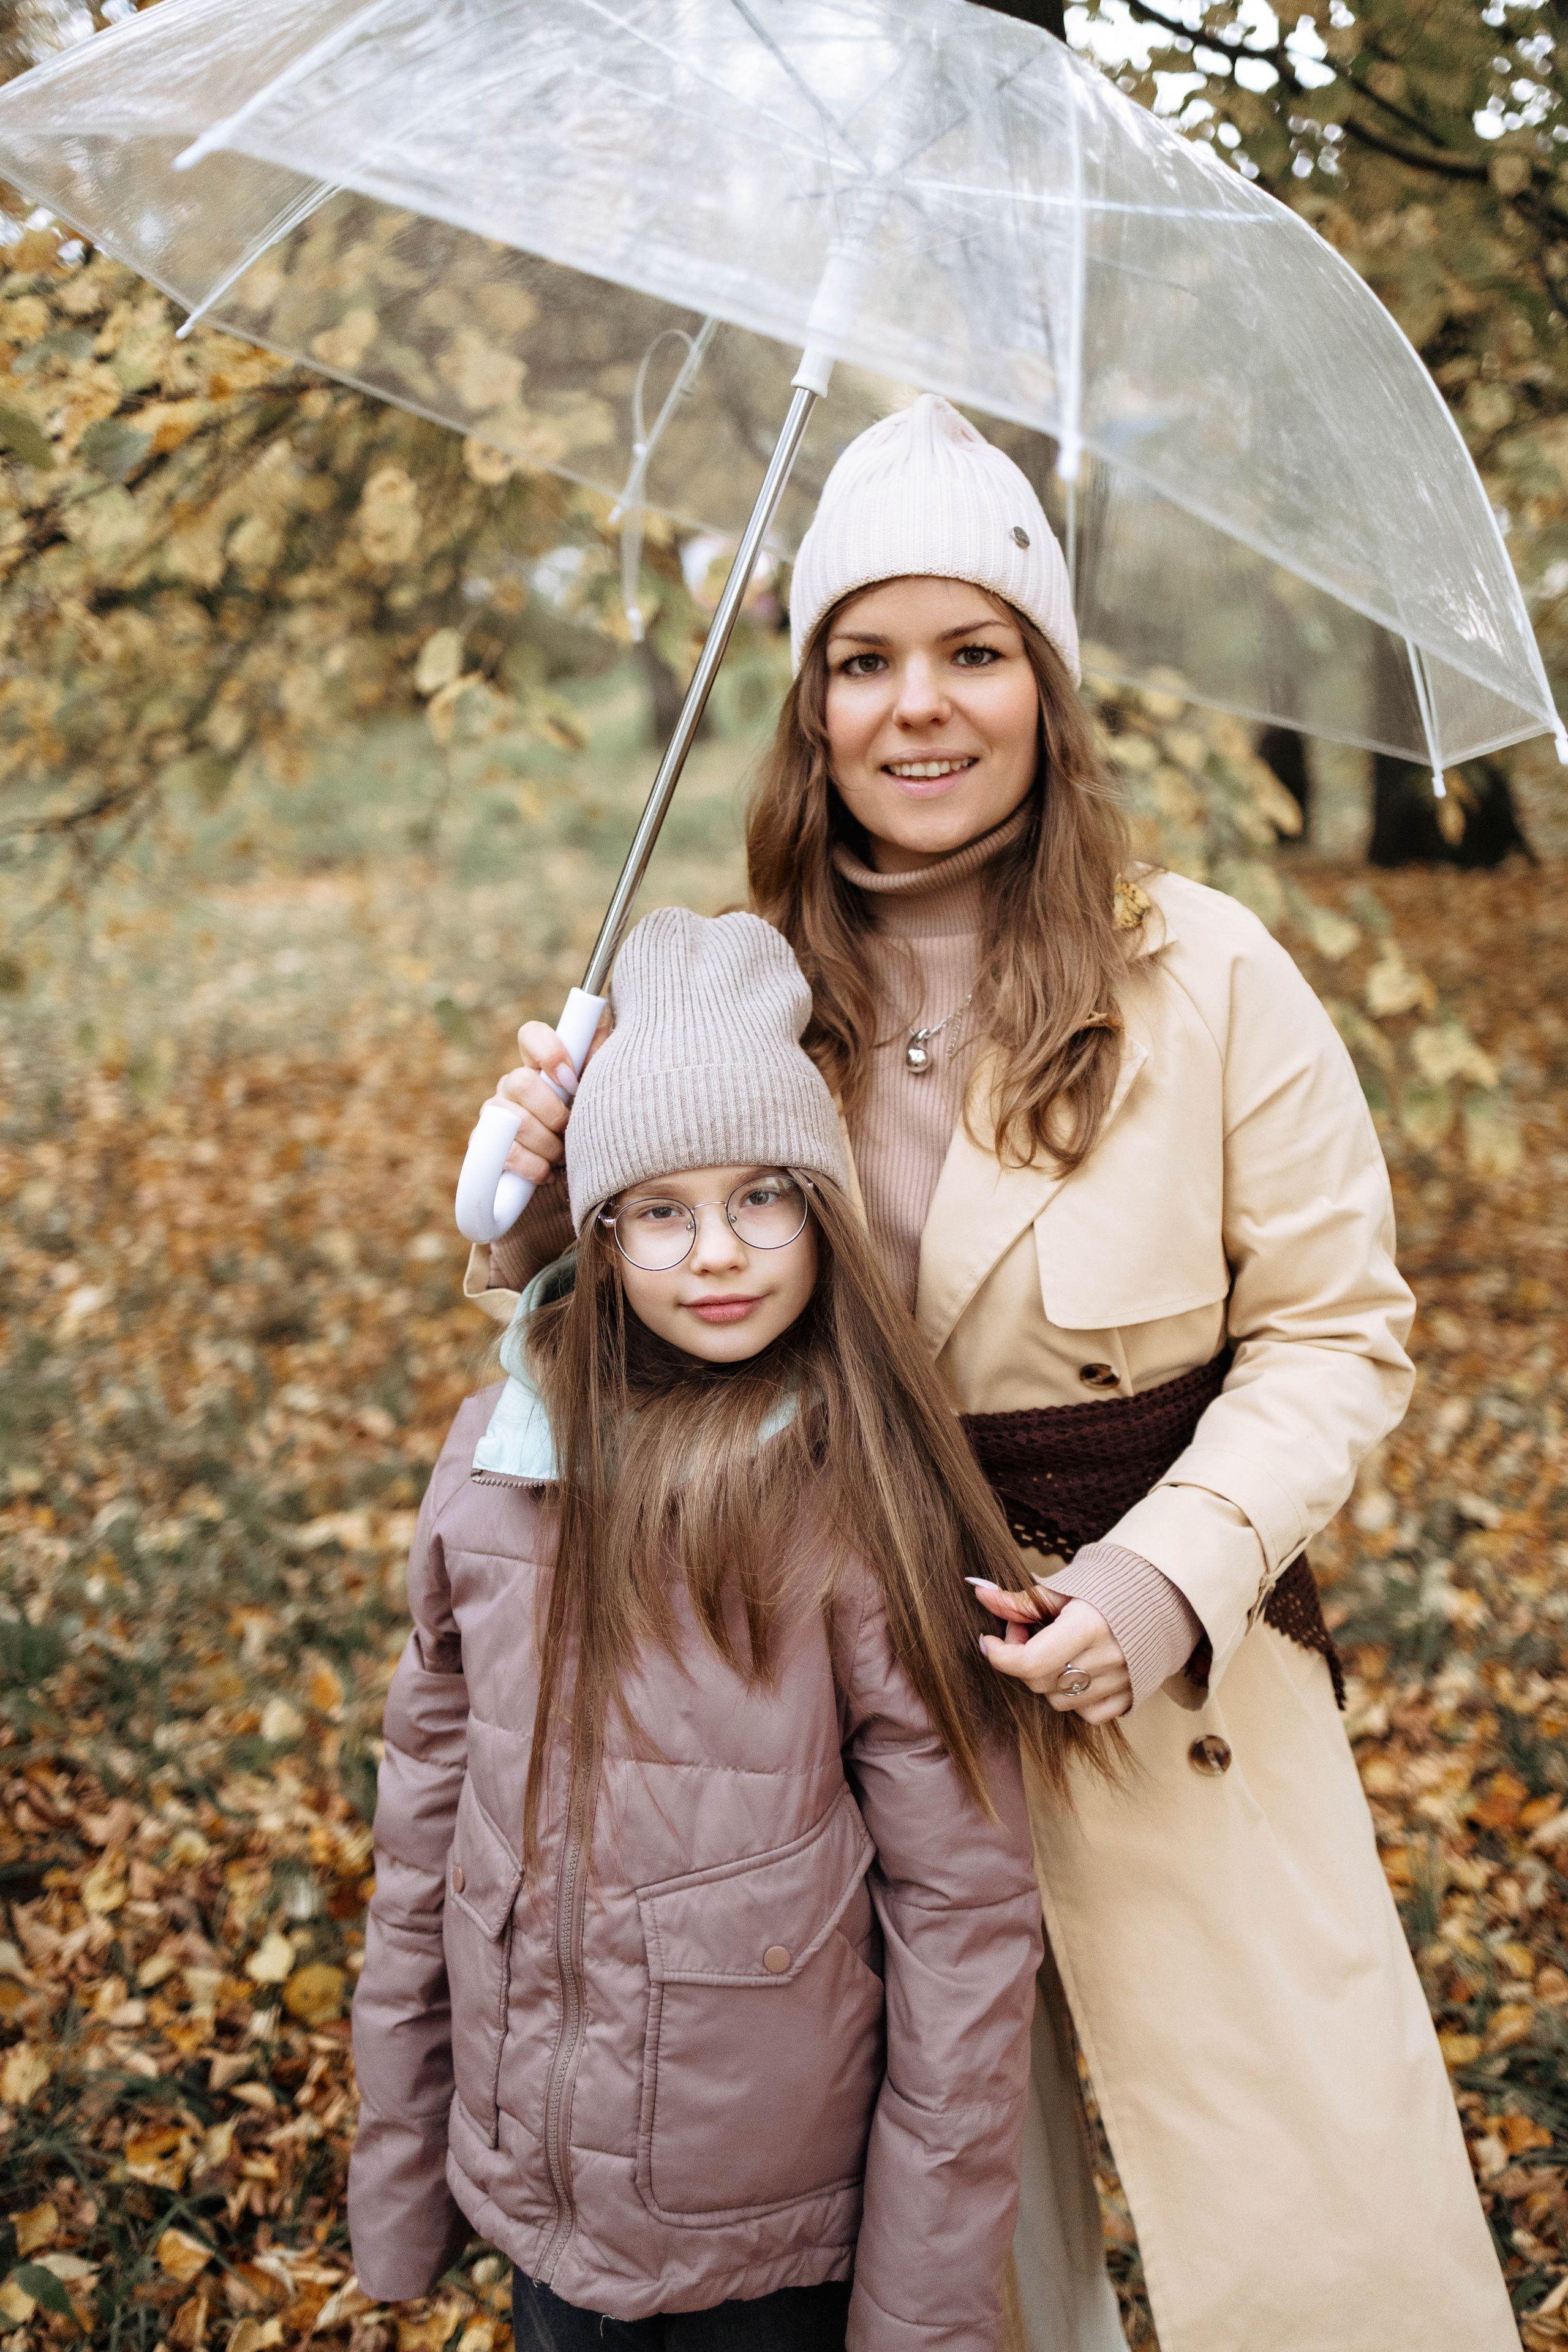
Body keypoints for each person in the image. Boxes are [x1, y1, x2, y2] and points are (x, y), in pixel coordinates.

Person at [466, 398, 1518, 2352]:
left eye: (974, 652)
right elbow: (644, 1349)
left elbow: (1336, 1332)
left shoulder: (1199, 972)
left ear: (1046, 684)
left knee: (1304, 2238)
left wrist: (1163, 1576)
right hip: (855, 1725)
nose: (918, 709)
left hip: (1168, 1688)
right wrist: (546, 1218)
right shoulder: (734, 999)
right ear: (810, 704)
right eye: (865, 660)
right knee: (960, 2260)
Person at [350, 907, 1064, 2350]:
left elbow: (963, 1918)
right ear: (598, 1236)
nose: (717, 1252)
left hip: (773, 2241)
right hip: (538, 2186)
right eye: (659, 1209)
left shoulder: (863, 1506)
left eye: (765, 1197)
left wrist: (919, 2311)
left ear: (823, 1215)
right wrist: (403, 2164)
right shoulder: (497, 1466)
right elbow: (424, 1825)